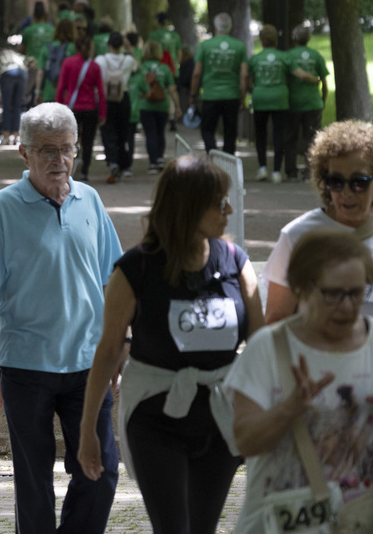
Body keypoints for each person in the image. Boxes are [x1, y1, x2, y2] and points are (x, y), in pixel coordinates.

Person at [77, 155, 264, 534]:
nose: (229, 209)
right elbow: (109, 350)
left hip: (220, 417)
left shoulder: (236, 263)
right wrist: (88, 430)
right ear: (187, 206)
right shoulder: (135, 269)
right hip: (154, 420)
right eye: (218, 201)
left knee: (202, 527)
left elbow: (261, 345)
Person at [0, 102, 123, 534]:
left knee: (101, 470)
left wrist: (117, 347)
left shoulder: (89, 199)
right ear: (24, 153)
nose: (59, 160)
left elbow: (114, 281)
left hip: (88, 365)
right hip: (26, 365)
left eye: (67, 149)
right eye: (47, 151)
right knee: (34, 483)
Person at [225, 229, 373, 534]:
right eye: (334, 294)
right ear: (302, 289)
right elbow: (244, 442)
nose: (347, 306)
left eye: (357, 293)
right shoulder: (268, 348)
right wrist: (288, 409)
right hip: (278, 524)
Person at [264, 120, 373, 324]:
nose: (346, 193)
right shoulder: (296, 236)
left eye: (359, 182)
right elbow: (275, 320)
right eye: (336, 182)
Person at [189, 12, 248, 155]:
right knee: (230, 132)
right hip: (232, 95)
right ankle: (228, 162)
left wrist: (193, 95)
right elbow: (244, 74)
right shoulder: (239, 46)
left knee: (207, 130)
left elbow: (196, 73)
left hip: (210, 95)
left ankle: (213, 155)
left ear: (215, 26)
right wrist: (243, 95)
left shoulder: (205, 46)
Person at [56, 36, 106, 182]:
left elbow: (61, 87)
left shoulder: (68, 63)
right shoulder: (94, 66)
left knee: (71, 140)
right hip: (90, 108)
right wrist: (103, 112)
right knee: (89, 140)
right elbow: (101, 92)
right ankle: (84, 171)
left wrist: (58, 108)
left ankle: (71, 166)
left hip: (72, 109)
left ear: (76, 47)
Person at [284, 24, 329, 181]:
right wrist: (322, 100)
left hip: (293, 103)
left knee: (291, 137)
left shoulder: (288, 56)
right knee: (312, 138)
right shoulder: (316, 55)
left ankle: (291, 171)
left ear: (294, 39)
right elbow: (324, 81)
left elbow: (285, 80)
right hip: (313, 103)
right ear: (308, 39)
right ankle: (310, 171)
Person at [249, 24, 294, 183]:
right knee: (278, 134)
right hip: (280, 98)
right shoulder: (284, 57)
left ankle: (262, 168)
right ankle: (276, 171)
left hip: (260, 98)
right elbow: (292, 75)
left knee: (260, 134)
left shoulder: (255, 58)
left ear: (262, 40)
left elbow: (249, 79)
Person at [94, 32, 138, 184]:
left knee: (107, 130)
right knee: (122, 131)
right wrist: (129, 49)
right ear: (121, 45)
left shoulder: (101, 60)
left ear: (109, 44)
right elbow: (137, 67)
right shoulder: (128, 60)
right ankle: (123, 163)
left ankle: (112, 161)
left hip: (106, 99)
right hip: (123, 97)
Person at [133, 39, 180, 173]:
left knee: (150, 134)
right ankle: (160, 158)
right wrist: (177, 106)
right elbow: (172, 89)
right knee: (160, 133)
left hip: (145, 105)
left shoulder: (140, 68)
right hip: (162, 105)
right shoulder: (165, 68)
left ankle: (153, 162)